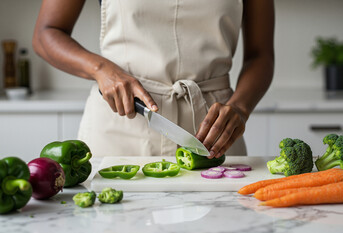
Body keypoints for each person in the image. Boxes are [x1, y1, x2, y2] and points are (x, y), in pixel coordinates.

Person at [32, 0, 274, 158]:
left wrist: (240, 107)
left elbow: (260, 55)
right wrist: (101, 69)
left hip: (214, 132)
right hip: (121, 122)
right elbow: (47, 32)